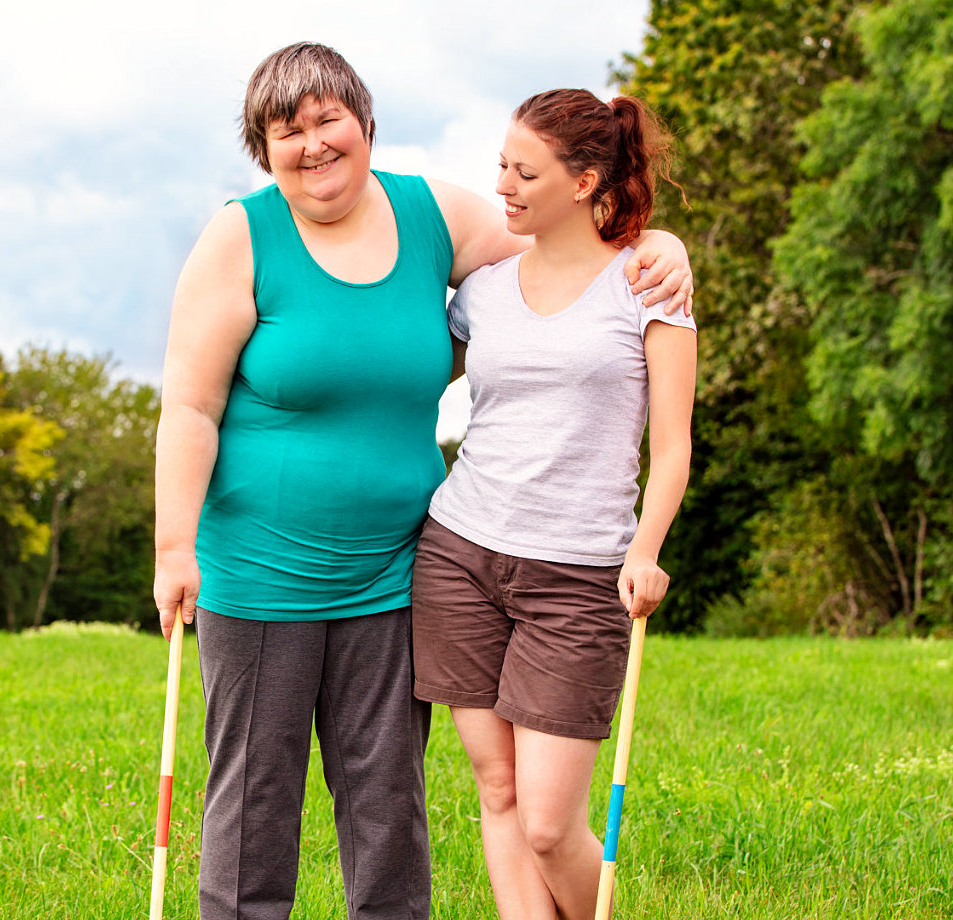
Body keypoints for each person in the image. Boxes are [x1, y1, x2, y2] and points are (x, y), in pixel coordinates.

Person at [153, 44, 693, 920]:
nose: (313, 143)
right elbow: (189, 406)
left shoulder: (433, 214)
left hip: (395, 572)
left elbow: (566, 235)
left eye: (329, 118)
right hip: (258, 574)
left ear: (364, 124)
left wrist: (662, 244)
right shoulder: (240, 236)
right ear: (263, 149)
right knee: (253, 806)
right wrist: (174, 545)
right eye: (286, 130)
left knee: (386, 808)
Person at [409, 87, 698, 920]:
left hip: (577, 578)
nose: (502, 185)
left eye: (523, 172)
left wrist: (645, 550)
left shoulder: (647, 283)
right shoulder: (483, 290)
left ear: (582, 182)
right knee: (495, 790)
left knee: (547, 824)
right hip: (459, 555)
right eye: (499, 164)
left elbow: (671, 444)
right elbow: (402, 374)